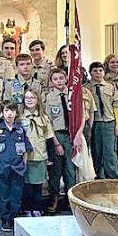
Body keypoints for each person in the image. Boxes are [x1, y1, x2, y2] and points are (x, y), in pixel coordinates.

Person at [0, 100, 33, 232]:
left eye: (12, 111)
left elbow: (25, 149)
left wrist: (24, 163)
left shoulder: (20, 130)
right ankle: (5, 219)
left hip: (18, 168)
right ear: (2, 113)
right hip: (2, 167)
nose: (9, 113)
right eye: (6, 111)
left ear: (16, 113)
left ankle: (14, 218)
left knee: (16, 196)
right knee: (4, 196)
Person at [45, 69, 82, 213]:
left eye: (61, 78)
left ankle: (70, 199)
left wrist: (78, 135)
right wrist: (55, 142)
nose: (59, 81)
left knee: (70, 169)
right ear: (51, 81)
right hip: (57, 135)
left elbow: (80, 115)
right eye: (55, 79)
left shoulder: (73, 95)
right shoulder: (49, 97)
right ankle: (54, 198)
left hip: (71, 135)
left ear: (66, 78)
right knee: (56, 170)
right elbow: (48, 121)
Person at [85, 62, 118, 180]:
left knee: (110, 152)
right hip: (94, 123)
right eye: (95, 71)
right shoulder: (86, 88)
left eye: (100, 70)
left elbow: (117, 105)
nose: (98, 73)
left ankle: (112, 177)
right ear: (90, 73)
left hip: (109, 122)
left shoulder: (110, 87)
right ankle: (99, 176)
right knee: (96, 151)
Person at [20, 89, 54, 217]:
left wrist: (50, 156)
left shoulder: (44, 118)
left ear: (37, 100)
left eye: (32, 98)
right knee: (26, 185)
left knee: (38, 185)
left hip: (40, 155)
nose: (29, 100)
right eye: (27, 98)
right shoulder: (20, 117)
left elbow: (49, 137)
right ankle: (27, 208)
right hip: (25, 157)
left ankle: (37, 207)